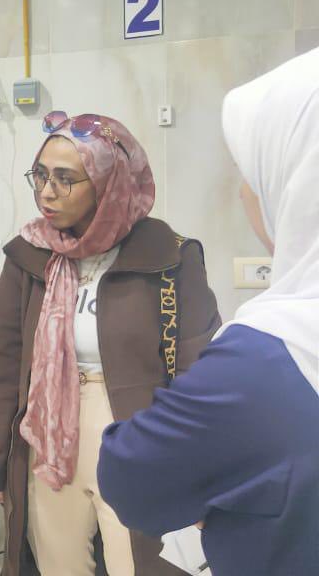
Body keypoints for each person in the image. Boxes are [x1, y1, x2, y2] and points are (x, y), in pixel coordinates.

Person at [0, 113, 221, 575]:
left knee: (140, 564)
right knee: (58, 564)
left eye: (65, 179)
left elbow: (199, 369)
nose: (47, 192)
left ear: (108, 182)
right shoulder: (29, 255)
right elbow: (4, 369)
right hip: (48, 431)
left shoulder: (169, 256)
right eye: (40, 175)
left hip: (140, 434)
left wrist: (196, 465)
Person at [98, 48, 319, 575]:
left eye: (251, 173)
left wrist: (208, 479)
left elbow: (133, 478)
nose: (244, 194)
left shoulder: (268, 358)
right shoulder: (33, 256)